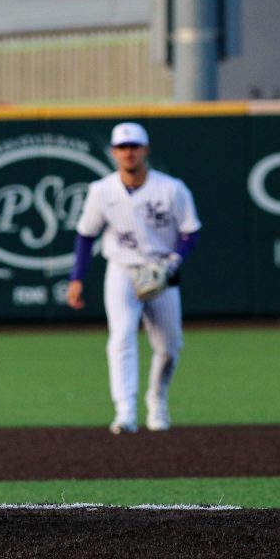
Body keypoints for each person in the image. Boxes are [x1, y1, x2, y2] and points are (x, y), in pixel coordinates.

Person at [65, 122, 201, 434]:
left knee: (170, 346)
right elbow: (86, 235)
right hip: (122, 271)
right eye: (123, 147)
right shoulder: (102, 190)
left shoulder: (171, 188)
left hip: (161, 271)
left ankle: (158, 399)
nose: (129, 153)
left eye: (134, 146)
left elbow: (191, 231)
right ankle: (125, 411)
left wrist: (175, 261)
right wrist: (77, 278)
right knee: (122, 337)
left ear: (145, 150)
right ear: (114, 152)